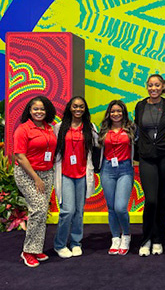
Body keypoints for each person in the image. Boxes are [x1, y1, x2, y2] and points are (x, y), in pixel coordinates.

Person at [135, 74, 165, 256]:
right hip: (147, 158)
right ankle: (146, 239)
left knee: (162, 199)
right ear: (147, 87)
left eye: (157, 85)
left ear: (163, 87)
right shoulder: (140, 106)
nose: (153, 88)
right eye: (150, 85)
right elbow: (138, 130)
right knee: (151, 200)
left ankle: (159, 239)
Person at [13, 96, 57, 267]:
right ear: (29, 111)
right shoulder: (23, 130)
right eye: (35, 109)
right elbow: (20, 156)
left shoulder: (49, 128)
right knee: (38, 208)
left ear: (47, 111)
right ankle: (27, 251)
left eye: (42, 109)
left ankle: (36, 247)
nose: (39, 112)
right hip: (28, 174)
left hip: (47, 173)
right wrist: (36, 178)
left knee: (41, 210)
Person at [53, 96, 98, 258]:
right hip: (65, 174)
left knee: (79, 211)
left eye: (81, 107)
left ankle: (76, 242)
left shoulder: (90, 128)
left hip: (82, 174)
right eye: (75, 106)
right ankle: (59, 244)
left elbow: (98, 147)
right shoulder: (59, 128)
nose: (78, 109)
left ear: (85, 109)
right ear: (69, 108)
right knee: (67, 211)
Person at [98, 100, 136, 255]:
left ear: (123, 113)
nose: (116, 114)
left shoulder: (131, 128)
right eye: (113, 111)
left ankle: (126, 234)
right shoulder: (103, 130)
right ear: (109, 113)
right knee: (112, 207)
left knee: (121, 207)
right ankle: (115, 237)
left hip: (125, 169)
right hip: (107, 169)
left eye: (119, 111)